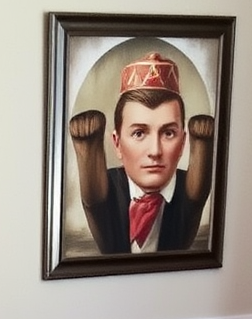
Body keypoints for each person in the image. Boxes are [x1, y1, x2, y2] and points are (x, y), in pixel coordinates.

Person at [68, 50, 215, 255]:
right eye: (139, 133)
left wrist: (203, 144)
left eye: (168, 133)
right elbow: (94, 199)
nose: (155, 151)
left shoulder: (187, 187)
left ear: (183, 143)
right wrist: (87, 145)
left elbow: (196, 195)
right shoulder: (107, 185)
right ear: (117, 143)